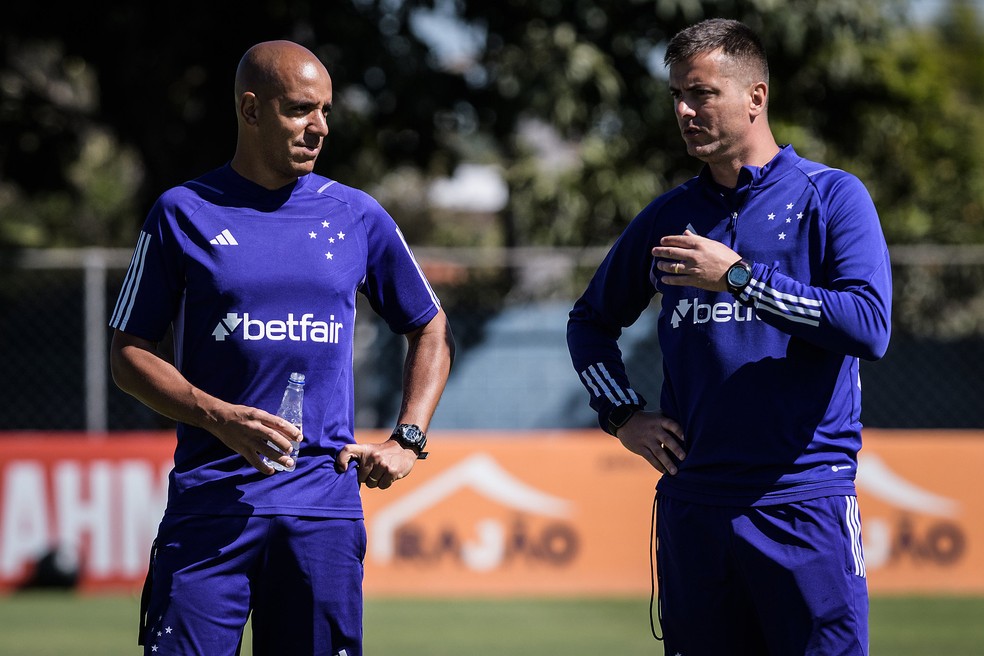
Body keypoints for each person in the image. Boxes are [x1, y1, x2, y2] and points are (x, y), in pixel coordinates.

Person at [109, 40, 454, 656]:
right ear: (250, 110)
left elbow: (429, 327)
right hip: (211, 507)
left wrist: (409, 439)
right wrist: (217, 416)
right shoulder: (180, 212)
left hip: (323, 510)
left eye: (324, 111)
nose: (319, 128)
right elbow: (127, 352)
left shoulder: (359, 215)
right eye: (299, 110)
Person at [567, 18, 891, 656]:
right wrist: (623, 414)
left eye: (702, 94)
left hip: (803, 501)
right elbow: (589, 323)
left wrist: (738, 278)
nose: (685, 111)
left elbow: (868, 325)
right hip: (697, 509)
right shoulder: (668, 217)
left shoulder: (832, 197)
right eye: (677, 97)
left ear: (756, 97)